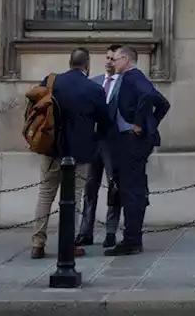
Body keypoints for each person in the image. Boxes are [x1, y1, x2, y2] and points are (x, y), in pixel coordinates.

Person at [31, 48, 112, 260]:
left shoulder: (51, 82)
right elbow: (105, 121)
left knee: (45, 194)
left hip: (51, 148)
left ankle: (37, 243)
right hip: (80, 152)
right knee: (73, 198)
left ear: (69, 62)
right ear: (87, 66)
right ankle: (67, 244)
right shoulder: (94, 89)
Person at [103, 45, 170, 256]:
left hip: (132, 141)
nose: (112, 63)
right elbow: (163, 103)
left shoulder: (133, 78)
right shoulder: (135, 79)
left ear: (125, 59)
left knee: (131, 189)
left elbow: (151, 98)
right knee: (133, 187)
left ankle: (132, 240)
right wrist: (151, 123)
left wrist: (141, 124)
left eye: (115, 60)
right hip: (131, 140)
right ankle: (133, 237)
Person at [75, 44, 124, 249]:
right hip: (93, 141)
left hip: (113, 142)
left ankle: (111, 231)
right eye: (107, 58)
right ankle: (85, 231)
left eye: (113, 59)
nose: (109, 62)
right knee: (89, 187)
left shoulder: (124, 83)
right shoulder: (94, 82)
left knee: (114, 186)